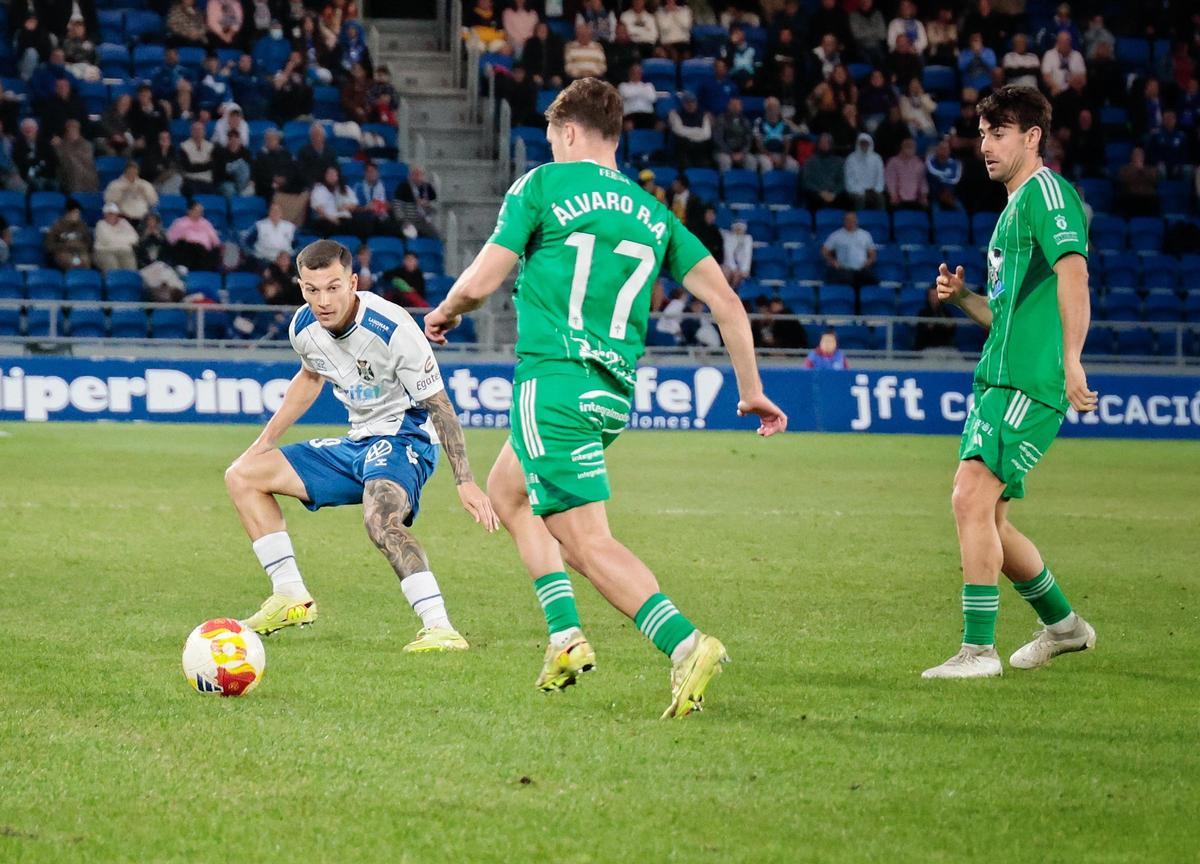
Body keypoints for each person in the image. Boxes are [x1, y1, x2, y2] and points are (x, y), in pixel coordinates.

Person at [421, 79, 787, 718]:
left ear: (566, 132)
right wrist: (750, 390)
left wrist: (446, 311)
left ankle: (685, 644)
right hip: (613, 392)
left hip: (554, 382)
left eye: (551, 138)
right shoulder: (655, 213)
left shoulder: (541, 186)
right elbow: (727, 303)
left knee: (587, 543)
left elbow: (483, 279)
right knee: (508, 491)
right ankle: (564, 636)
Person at [223, 239, 497, 648]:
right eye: (312, 290)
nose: (323, 300)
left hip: (406, 438)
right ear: (301, 287)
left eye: (333, 287)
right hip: (357, 443)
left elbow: (439, 406)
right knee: (242, 475)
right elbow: (310, 378)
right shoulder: (303, 327)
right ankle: (291, 596)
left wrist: (466, 480)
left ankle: (441, 627)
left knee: (379, 519)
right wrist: (263, 443)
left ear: (353, 282)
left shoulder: (392, 328)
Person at [923, 85, 1097, 680]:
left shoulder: (1047, 194)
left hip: (1027, 382)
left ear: (1031, 137)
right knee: (989, 519)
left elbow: (1075, 273)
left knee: (969, 496)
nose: (985, 145)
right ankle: (1066, 627)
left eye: (998, 133)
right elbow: (1008, 314)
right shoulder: (1013, 207)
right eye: (980, 133)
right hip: (997, 379)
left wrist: (1072, 358)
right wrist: (965, 297)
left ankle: (978, 652)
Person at [821, 211, 877, 288]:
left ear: (857, 220)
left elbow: (872, 253)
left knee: (873, 281)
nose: (851, 221)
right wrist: (832, 261)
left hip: (862, 269)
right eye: (848, 219)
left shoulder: (865, 235)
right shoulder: (836, 235)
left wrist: (869, 261)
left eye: (853, 219)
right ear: (844, 221)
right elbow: (824, 251)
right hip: (844, 270)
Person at [310, 165, 370, 237]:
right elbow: (320, 210)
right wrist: (332, 219)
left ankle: (363, 245)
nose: (332, 177)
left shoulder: (345, 189)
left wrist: (348, 206)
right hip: (328, 220)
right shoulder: (319, 190)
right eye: (329, 174)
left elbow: (355, 205)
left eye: (334, 174)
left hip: (345, 219)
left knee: (363, 222)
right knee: (327, 225)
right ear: (325, 176)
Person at [166, 200, 222, 270]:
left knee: (213, 251)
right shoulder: (179, 223)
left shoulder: (206, 223)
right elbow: (170, 239)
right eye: (197, 211)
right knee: (184, 245)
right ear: (189, 211)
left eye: (201, 211)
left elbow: (216, 241)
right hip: (186, 253)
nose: (200, 213)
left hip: (203, 254)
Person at [54, 118, 98, 194]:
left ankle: (78, 194)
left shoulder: (86, 144)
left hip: (85, 173)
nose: (72, 131)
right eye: (69, 129)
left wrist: (66, 152)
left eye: (74, 129)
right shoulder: (61, 144)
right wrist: (57, 147)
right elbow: (60, 158)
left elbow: (86, 160)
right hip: (66, 173)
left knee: (76, 166)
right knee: (73, 166)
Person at [45, 198, 92, 269]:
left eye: (78, 213)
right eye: (75, 212)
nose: (77, 215)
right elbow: (49, 245)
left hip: (80, 252)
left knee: (85, 260)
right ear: (68, 213)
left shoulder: (82, 226)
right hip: (63, 252)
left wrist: (80, 245)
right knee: (71, 262)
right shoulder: (57, 226)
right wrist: (66, 245)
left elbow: (89, 243)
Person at [801, 133, 844, 209]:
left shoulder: (839, 162)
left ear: (831, 144)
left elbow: (842, 181)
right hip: (816, 193)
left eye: (827, 142)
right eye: (822, 142)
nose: (824, 145)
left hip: (834, 194)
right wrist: (820, 192)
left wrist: (834, 193)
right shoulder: (810, 161)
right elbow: (806, 181)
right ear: (818, 144)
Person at [394, 165, 438, 238]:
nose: (417, 177)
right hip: (407, 221)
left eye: (419, 174)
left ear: (423, 176)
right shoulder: (403, 187)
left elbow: (435, 206)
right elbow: (397, 206)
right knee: (411, 234)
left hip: (424, 221)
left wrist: (428, 205)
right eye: (414, 174)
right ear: (410, 176)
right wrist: (404, 221)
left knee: (435, 235)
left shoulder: (428, 187)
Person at [93, 202, 139, 272]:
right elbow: (108, 240)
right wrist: (125, 239)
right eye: (108, 214)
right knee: (113, 268)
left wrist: (116, 238)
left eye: (113, 213)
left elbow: (135, 238)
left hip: (125, 251)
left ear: (117, 214)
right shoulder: (100, 224)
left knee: (131, 270)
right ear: (104, 215)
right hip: (105, 251)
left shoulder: (124, 222)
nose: (110, 216)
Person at [1115, 147, 1161, 217]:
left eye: (1140, 155)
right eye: (1136, 154)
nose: (1138, 157)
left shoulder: (1151, 170)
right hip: (1131, 198)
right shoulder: (1125, 169)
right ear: (1131, 156)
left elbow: (1154, 179)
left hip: (1148, 199)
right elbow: (1123, 179)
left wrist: (1142, 170)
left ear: (1144, 157)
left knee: (1155, 199)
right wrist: (1136, 170)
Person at [844, 132, 885, 210]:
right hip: (855, 190)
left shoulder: (877, 158)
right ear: (858, 144)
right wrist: (860, 191)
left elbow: (880, 178)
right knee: (860, 198)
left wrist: (877, 189)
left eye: (866, 143)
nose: (864, 145)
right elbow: (849, 179)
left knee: (880, 198)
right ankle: (860, 219)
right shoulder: (851, 158)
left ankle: (880, 220)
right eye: (862, 143)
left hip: (873, 190)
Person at [885, 137, 929, 209]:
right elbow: (890, 180)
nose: (910, 149)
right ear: (902, 147)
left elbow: (923, 182)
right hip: (898, 199)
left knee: (927, 207)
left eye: (912, 147)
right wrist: (893, 194)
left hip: (916, 199)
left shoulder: (919, 163)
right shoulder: (893, 162)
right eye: (907, 146)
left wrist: (924, 195)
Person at [713, 96, 754, 172]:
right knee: (725, 161)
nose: (735, 107)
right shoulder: (721, 119)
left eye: (737, 105)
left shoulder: (745, 121)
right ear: (728, 106)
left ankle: (748, 182)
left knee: (751, 160)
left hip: (741, 152)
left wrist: (742, 152)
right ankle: (725, 183)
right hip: (723, 151)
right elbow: (718, 139)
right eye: (733, 105)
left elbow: (748, 140)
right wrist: (731, 153)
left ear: (741, 107)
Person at [914, 284, 956, 350]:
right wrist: (928, 327)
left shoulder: (946, 312)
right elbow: (920, 333)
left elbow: (952, 330)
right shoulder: (923, 313)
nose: (934, 298)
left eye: (936, 296)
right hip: (927, 348)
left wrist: (948, 325)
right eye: (932, 296)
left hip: (946, 347)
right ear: (928, 297)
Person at [925, 139, 963, 209]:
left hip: (950, 194)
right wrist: (946, 177)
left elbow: (955, 179)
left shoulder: (956, 163)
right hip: (935, 194)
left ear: (949, 150)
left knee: (960, 206)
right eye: (941, 148)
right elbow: (932, 172)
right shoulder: (931, 160)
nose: (943, 150)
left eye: (945, 148)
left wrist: (942, 178)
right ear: (936, 149)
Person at [618, 63, 657, 130]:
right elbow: (627, 95)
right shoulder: (623, 86)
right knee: (628, 124)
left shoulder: (648, 86)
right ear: (630, 73)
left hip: (647, 114)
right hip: (631, 114)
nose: (636, 74)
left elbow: (653, 98)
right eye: (634, 72)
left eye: (638, 72)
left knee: (660, 124)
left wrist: (635, 93)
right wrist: (642, 92)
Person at [720, 219, 753, 290]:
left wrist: (743, 270)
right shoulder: (728, 238)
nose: (739, 230)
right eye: (737, 228)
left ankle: (731, 292)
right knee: (726, 272)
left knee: (739, 276)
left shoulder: (748, 239)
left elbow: (747, 256)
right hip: (729, 267)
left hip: (741, 270)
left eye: (741, 229)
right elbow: (728, 256)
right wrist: (735, 269)